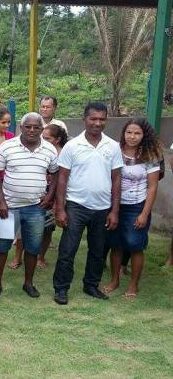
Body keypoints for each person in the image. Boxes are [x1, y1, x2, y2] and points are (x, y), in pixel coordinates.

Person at [53, 102, 123, 305]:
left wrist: (114, 211)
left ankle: (91, 285)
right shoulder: (72, 146)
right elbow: (62, 178)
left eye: (102, 119)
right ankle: (61, 288)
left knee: (98, 251)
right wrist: (60, 208)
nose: (97, 123)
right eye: (93, 118)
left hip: (102, 208)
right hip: (76, 206)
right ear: (84, 119)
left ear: (106, 120)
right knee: (68, 250)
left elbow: (117, 178)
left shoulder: (112, 146)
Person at [0, 113, 59, 298]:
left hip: (36, 207)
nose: (32, 130)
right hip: (9, 207)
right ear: (21, 127)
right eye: (28, 126)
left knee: (33, 247)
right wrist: (1, 201)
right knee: (2, 246)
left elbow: (56, 174)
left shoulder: (49, 149)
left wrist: (50, 196)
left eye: (37, 127)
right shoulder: (7, 146)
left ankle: (28, 283)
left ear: (42, 129)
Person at [103, 118, 162, 298]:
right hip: (115, 205)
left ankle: (134, 285)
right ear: (124, 133)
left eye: (137, 133)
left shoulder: (150, 155)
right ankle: (114, 280)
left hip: (137, 206)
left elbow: (152, 187)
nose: (132, 137)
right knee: (116, 245)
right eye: (129, 132)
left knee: (135, 246)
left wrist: (144, 213)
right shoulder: (116, 151)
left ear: (144, 135)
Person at [37, 124, 69, 268]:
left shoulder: (64, 154)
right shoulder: (40, 150)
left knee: (48, 228)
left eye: (47, 138)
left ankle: (41, 257)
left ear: (58, 139)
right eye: (42, 137)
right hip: (39, 193)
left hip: (57, 195)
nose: (43, 140)